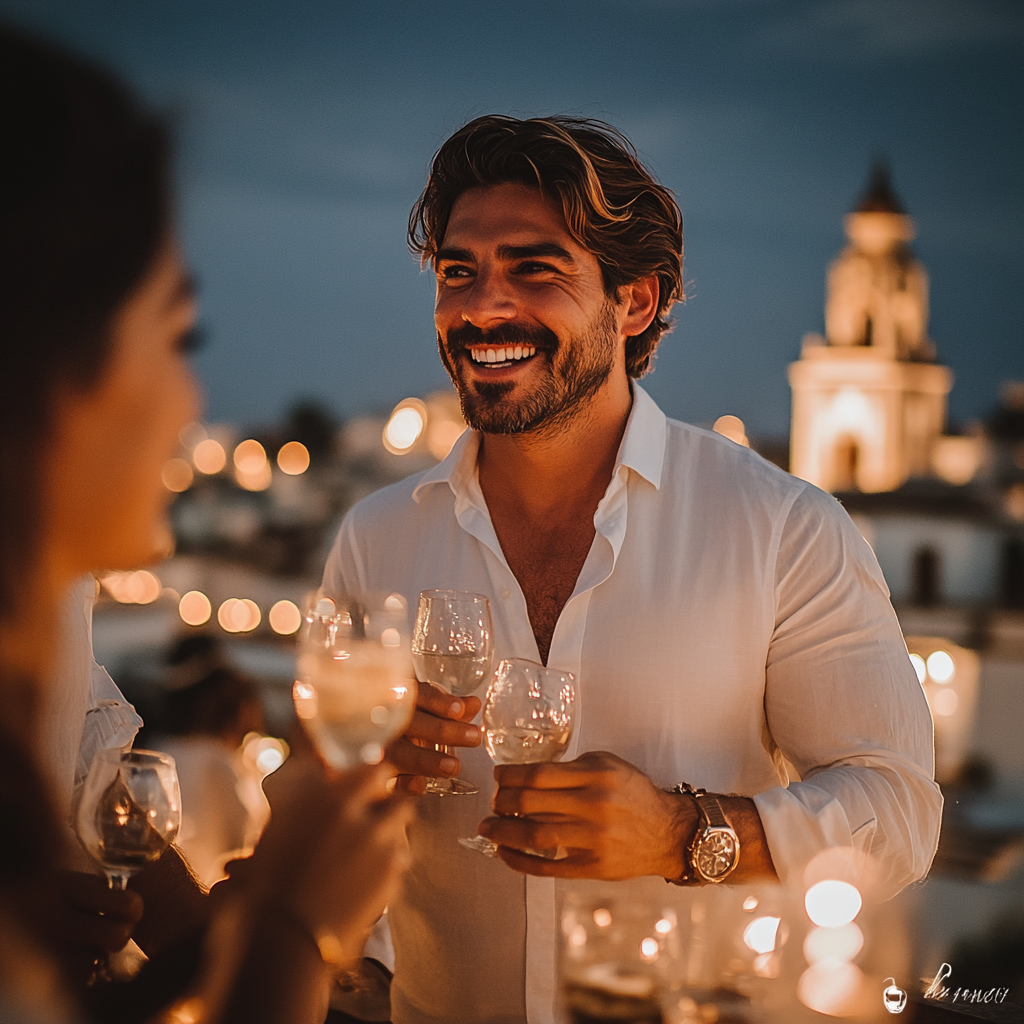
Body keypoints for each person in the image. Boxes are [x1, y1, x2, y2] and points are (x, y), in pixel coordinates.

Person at [323, 114, 944, 1023]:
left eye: (533, 268)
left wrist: (687, 835)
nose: (483, 306)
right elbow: (326, 798)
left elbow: (897, 810)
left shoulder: (783, 529)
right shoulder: (375, 540)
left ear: (636, 302)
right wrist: (356, 785)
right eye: (460, 272)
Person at [0, 22, 411, 1024]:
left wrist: (209, 935)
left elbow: (84, 742)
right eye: (176, 336)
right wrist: (289, 928)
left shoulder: (46, 596)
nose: (190, 404)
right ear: (45, 360)